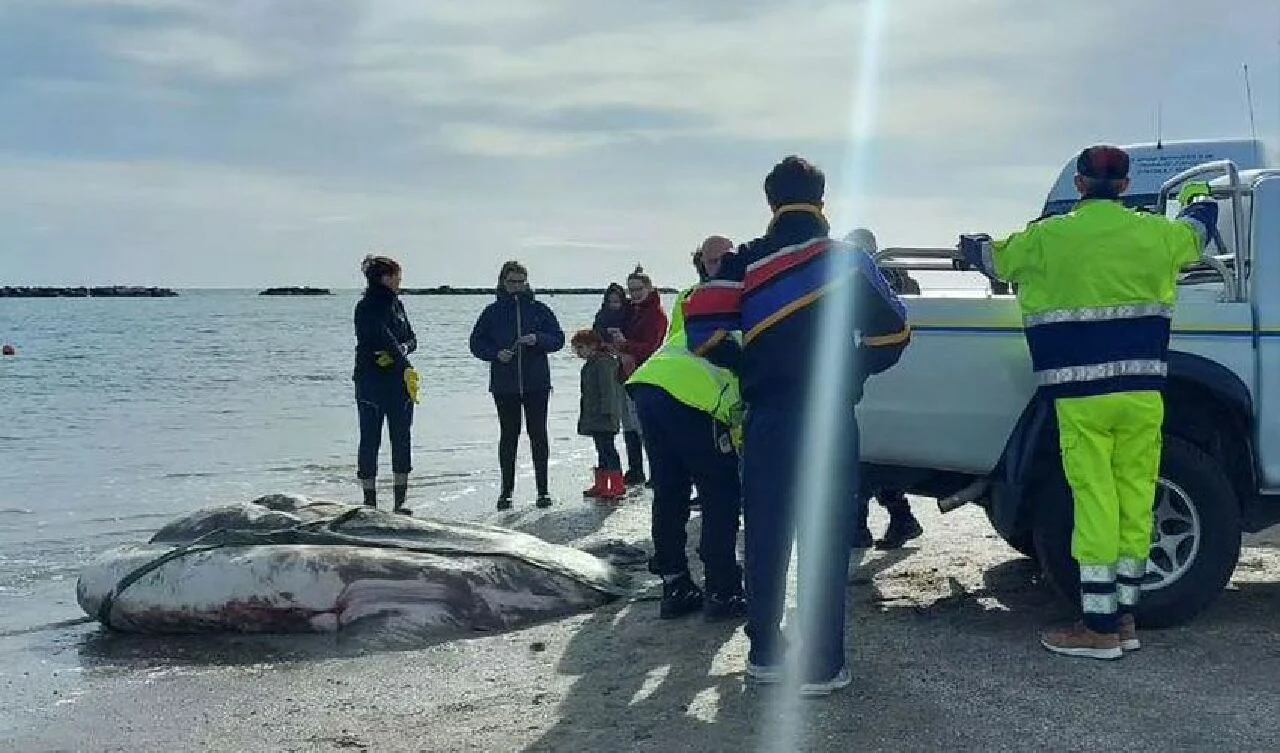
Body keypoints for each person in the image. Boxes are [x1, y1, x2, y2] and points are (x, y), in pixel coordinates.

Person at [958, 144, 1219, 660]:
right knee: (1134, 497)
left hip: (1081, 397)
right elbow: (1199, 226)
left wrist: (973, 244)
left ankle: (1098, 629)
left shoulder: (1048, 238)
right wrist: (1198, 191)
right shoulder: (1157, 236)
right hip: (1142, 394)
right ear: (1124, 186)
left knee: (1095, 500)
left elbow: (993, 258)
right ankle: (1123, 618)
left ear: (1079, 185)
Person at [685, 156, 911, 695]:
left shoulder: (744, 262)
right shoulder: (849, 261)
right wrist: (853, 369)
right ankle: (823, 665)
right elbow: (896, 332)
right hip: (830, 417)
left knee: (764, 533)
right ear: (822, 197)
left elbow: (704, 331)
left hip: (768, 418)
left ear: (770, 202)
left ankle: (764, 654)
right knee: (826, 537)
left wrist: (750, 366)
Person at [626, 235, 747, 621]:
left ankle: (675, 583)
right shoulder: (748, 297)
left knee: (669, 489)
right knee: (721, 491)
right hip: (694, 399)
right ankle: (723, 589)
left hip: (651, 385)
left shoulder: (690, 296)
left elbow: (681, 337)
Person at [844, 228, 924, 550]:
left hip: (870, 371)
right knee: (874, 456)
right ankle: (894, 519)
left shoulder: (859, 280)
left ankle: (861, 526)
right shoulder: (901, 281)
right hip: (896, 371)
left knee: (863, 455)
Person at [468, 260, 566, 510]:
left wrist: (537, 339)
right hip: (505, 385)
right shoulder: (492, 312)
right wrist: (495, 353)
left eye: (522, 282)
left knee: (538, 435)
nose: (518, 286)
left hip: (537, 384)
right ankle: (506, 492)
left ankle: (543, 491)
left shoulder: (539, 309)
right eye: (513, 282)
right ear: (503, 282)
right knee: (509, 436)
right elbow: (476, 344)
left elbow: (559, 339)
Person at [352, 254, 419, 515]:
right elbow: (380, 335)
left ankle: (401, 500)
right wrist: (401, 357)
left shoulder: (398, 305)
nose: (400, 281)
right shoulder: (366, 307)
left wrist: (403, 350)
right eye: (397, 276)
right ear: (384, 277)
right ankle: (369, 500)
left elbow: (412, 338)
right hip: (370, 380)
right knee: (370, 438)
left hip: (399, 382)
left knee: (402, 437)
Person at [609, 266, 668, 486]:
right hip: (626, 373)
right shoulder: (632, 311)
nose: (634, 294)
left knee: (645, 427)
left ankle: (657, 471)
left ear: (649, 288)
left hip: (646, 376)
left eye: (638, 289)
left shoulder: (655, 314)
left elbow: (651, 347)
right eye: (631, 289)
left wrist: (624, 345)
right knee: (630, 425)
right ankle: (635, 470)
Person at [572, 329, 625, 501]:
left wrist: (608, 412)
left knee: (608, 449)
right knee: (601, 449)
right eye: (576, 349)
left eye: (580, 348)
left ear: (592, 346)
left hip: (604, 415)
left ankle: (617, 485)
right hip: (595, 415)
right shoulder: (593, 363)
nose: (578, 352)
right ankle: (602, 483)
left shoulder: (603, 363)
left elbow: (608, 390)